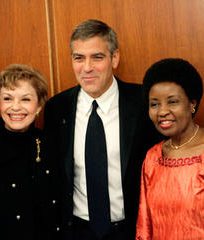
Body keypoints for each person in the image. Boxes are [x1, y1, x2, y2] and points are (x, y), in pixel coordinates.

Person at [43, 19, 161, 240]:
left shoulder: (143, 103)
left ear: (114, 58)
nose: (87, 68)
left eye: (97, 57)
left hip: (130, 231)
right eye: (79, 58)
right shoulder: (56, 109)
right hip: (76, 231)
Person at [135, 58, 204, 240]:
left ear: (192, 103)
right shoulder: (153, 157)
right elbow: (144, 228)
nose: (162, 111)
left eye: (172, 102)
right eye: (154, 104)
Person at [0, 64, 60, 240]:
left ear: (39, 105)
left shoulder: (53, 146)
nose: (15, 107)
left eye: (26, 99)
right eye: (7, 99)